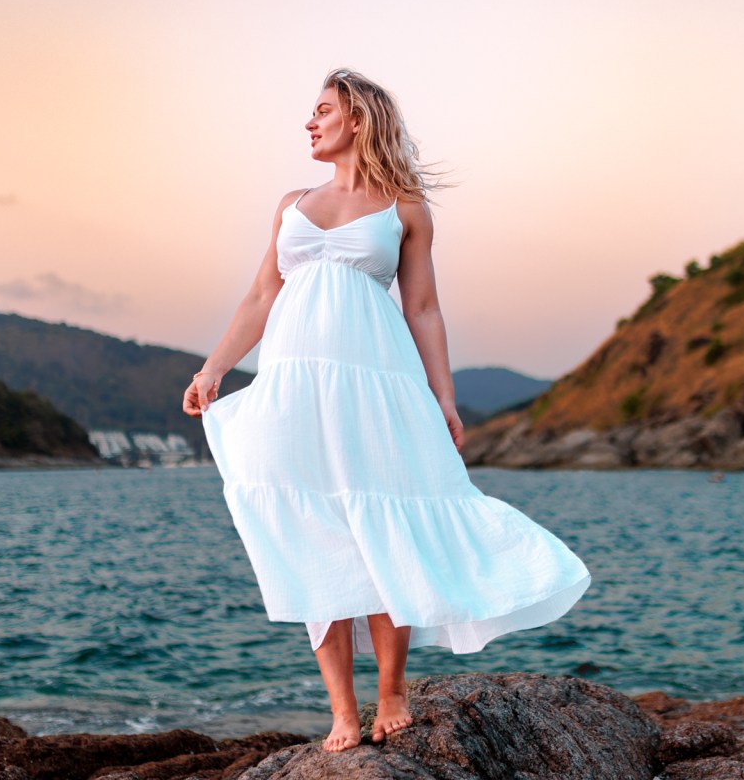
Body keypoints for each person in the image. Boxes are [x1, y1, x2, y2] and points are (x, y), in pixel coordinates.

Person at [183, 68, 590, 752]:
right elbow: (260, 297)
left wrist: (445, 397)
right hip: (293, 389)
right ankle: (342, 710)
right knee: (309, 529)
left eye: (321, 111)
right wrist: (213, 367)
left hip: (377, 386)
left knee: (384, 519)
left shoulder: (404, 208)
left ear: (358, 121)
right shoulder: (291, 202)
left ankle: (391, 689)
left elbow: (423, 307)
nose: (309, 123)